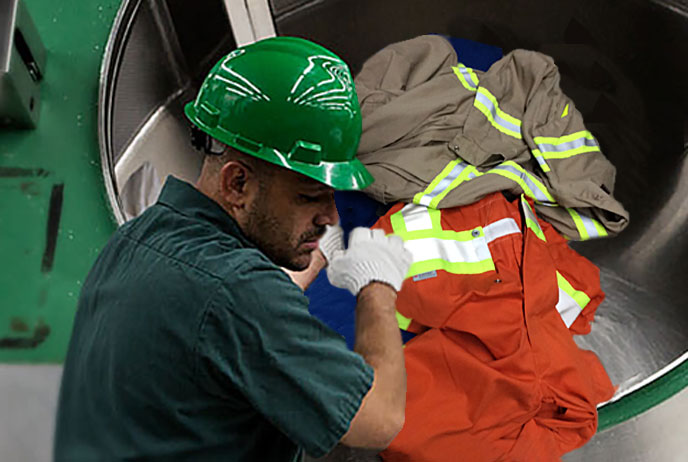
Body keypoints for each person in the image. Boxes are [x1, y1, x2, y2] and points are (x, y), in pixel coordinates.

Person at [53, 36, 412, 461]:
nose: (331, 216)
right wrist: (378, 289)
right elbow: (379, 420)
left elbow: (222, 316)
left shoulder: (139, 238)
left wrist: (307, 257)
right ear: (237, 183)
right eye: (310, 195)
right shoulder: (237, 293)